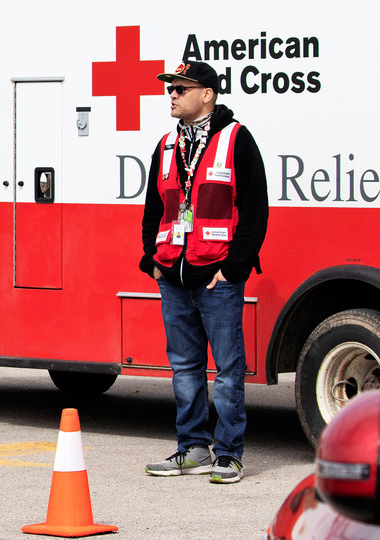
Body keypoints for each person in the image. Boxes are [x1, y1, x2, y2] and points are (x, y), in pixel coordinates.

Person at [139, 61, 268, 484]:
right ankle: (192, 448)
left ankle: (228, 454)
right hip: (174, 277)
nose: (171, 94)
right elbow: (153, 210)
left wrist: (234, 270)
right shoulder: (166, 145)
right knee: (184, 368)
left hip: (217, 278)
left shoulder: (237, 139)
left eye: (180, 88)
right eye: (170, 88)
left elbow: (255, 211)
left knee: (229, 370)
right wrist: (153, 262)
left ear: (207, 93)